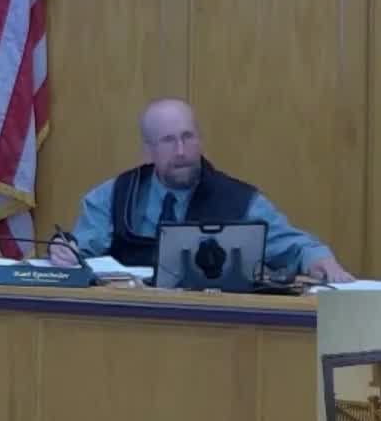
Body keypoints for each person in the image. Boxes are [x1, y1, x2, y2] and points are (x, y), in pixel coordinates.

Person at [46, 98, 354, 283]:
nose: (181, 151)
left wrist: (320, 260)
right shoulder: (114, 195)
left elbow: (296, 247)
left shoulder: (240, 200)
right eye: (168, 141)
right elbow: (80, 250)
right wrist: (65, 251)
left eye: (188, 137)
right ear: (148, 151)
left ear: (200, 141)